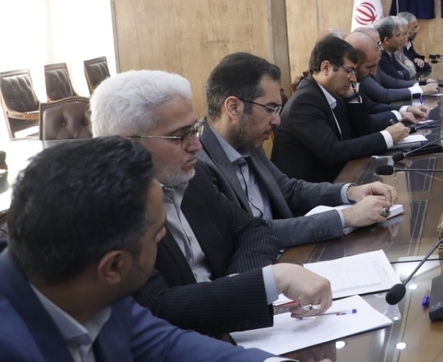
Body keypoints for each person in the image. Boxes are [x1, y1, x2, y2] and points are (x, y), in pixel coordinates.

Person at [0, 137, 363, 362]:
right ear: (113, 267)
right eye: (158, 234)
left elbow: (162, 346)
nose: (165, 239)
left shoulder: (80, 280)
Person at [91, 71, 333, 336]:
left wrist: (238, 287)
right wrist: (266, 282)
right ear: (125, 145)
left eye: (194, 130)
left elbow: (254, 230)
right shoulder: (109, 216)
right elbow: (157, 310)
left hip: (236, 329)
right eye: (180, 136)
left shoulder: (193, 175)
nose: (196, 145)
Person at [198, 52, 399, 248]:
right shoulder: (199, 167)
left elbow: (288, 190)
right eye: (270, 109)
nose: (277, 121)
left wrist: (350, 192)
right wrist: (346, 217)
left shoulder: (248, 140)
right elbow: (250, 233)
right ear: (234, 108)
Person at [271, 35, 412, 184]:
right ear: (326, 68)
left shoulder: (333, 92)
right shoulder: (304, 102)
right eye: (349, 71)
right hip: (309, 190)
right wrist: (387, 137)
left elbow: (363, 133)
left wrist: (353, 100)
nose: (353, 79)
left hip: (338, 177)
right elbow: (334, 151)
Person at [397, 11, 431, 77]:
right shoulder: (397, 46)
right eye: (414, 28)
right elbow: (415, 67)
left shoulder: (409, 43)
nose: (416, 31)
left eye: (417, 27)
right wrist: (416, 62)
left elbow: (426, 65)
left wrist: (420, 61)